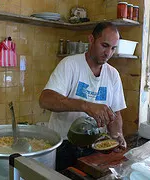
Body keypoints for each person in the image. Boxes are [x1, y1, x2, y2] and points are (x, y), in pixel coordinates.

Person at [39, 22, 127, 171]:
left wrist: (117, 134)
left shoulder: (113, 74)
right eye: (104, 45)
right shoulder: (70, 65)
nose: (108, 53)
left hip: (96, 146)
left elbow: (115, 112)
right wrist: (85, 106)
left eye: (113, 48)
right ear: (91, 40)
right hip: (64, 145)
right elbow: (45, 99)